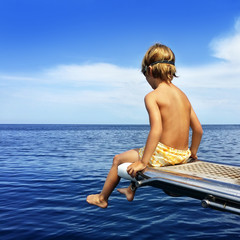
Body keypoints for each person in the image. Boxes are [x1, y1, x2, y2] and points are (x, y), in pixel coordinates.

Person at [86, 43, 203, 208]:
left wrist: (144, 162)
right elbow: (198, 129)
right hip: (183, 155)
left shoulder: (152, 96)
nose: (148, 82)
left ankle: (102, 198)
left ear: (149, 71)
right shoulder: (183, 96)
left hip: (165, 155)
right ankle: (130, 190)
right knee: (141, 152)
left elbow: (156, 130)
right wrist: (193, 153)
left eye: (145, 77)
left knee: (118, 159)